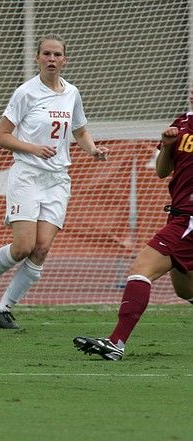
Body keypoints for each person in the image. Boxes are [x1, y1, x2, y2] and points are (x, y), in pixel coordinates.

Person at [0, 34, 108, 328]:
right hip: (27, 174)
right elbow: (1, 136)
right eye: (46, 54)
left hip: (57, 179)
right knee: (23, 247)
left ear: (65, 60)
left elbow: (80, 132)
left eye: (57, 54)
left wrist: (93, 150)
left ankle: (4, 310)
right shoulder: (25, 93)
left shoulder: (72, 93)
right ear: (37, 58)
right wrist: (33, 148)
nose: (51, 59)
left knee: (41, 248)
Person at [74, 99, 193, 361]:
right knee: (185, 290)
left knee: (141, 269)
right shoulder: (182, 123)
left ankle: (116, 342)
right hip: (178, 217)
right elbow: (163, 172)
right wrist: (167, 146)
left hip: (190, 221)